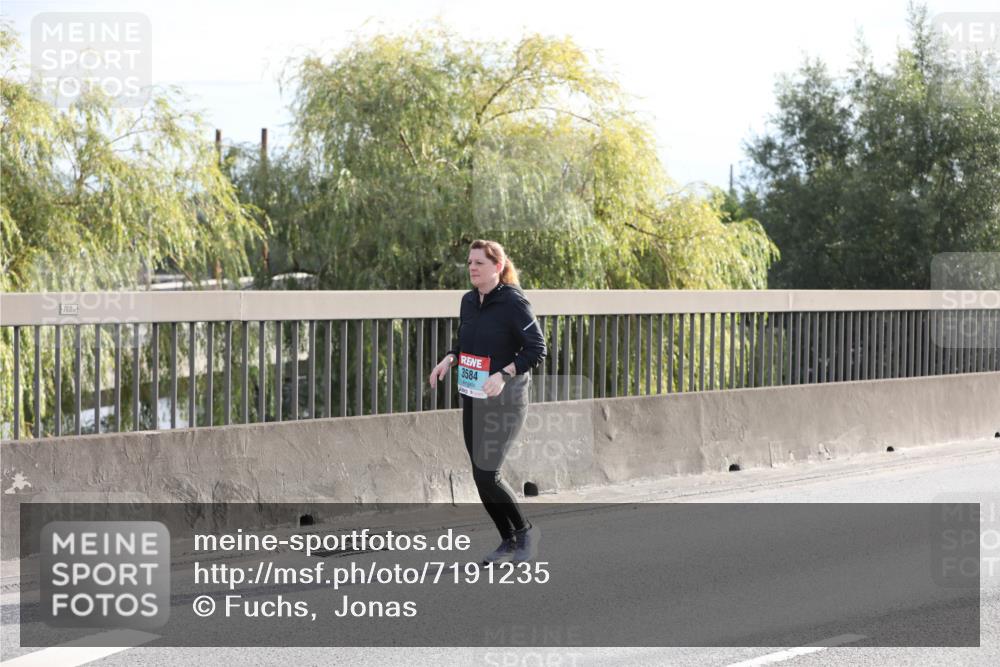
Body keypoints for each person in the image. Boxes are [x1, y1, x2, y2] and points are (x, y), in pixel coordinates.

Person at [428, 239, 546, 565]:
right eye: (469, 262)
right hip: (474, 397)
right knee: (479, 475)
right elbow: (466, 342)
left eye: (479, 262)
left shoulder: (513, 302)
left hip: (507, 400)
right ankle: (508, 541)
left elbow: (537, 348)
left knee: (487, 474)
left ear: (497, 266)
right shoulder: (468, 301)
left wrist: (504, 374)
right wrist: (450, 359)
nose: (472, 268)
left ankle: (526, 533)